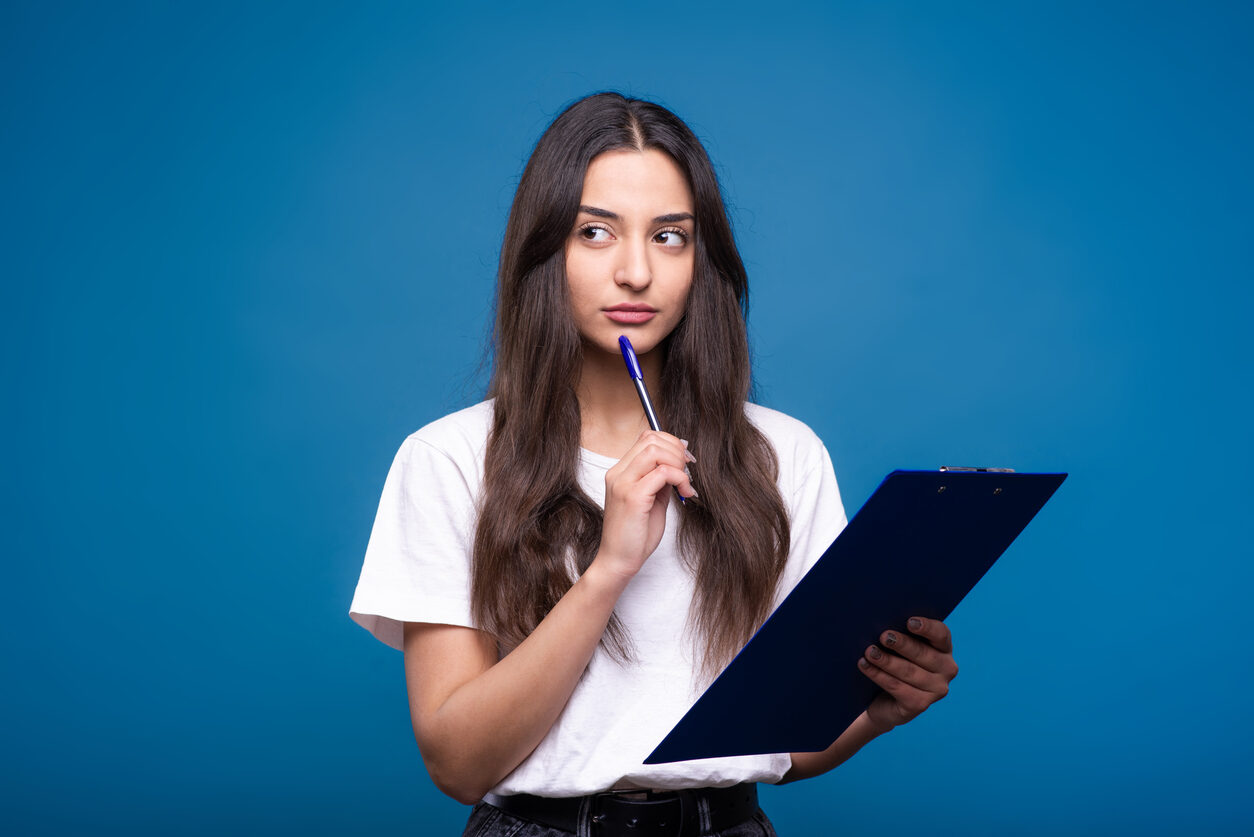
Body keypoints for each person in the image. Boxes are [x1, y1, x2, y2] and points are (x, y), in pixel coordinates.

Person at [349, 92, 959, 837]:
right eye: (596, 232)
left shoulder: (782, 455)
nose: (636, 271)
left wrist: (872, 712)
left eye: (669, 237)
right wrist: (609, 568)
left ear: (702, 260)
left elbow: (780, 747)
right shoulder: (448, 460)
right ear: (546, 251)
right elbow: (458, 764)